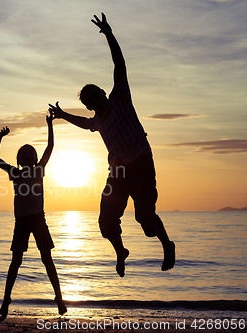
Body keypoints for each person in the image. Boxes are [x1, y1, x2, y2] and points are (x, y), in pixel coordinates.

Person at [48, 13, 175, 277]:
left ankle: (166, 244)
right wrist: (62, 115)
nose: (92, 101)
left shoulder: (120, 98)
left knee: (145, 220)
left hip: (141, 165)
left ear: (103, 93)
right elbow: (84, 123)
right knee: (106, 221)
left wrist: (109, 34)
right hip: (118, 172)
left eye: (94, 95)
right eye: (88, 101)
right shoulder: (98, 121)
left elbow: (120, 64)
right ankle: (120, 251)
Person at [0, 113, 67, 319]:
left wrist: (50, 125)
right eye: (23, 154)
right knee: (16, 261)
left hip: (38, 219)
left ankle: (59, 297)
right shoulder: (14, 172)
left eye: (30, 153)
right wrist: (0, 137)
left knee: (47, 260)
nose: (26, 156)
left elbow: (50, 147)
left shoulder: (39, 169)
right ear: (18, 159)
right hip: (21, 222)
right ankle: (6, 299)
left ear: (35, 159)